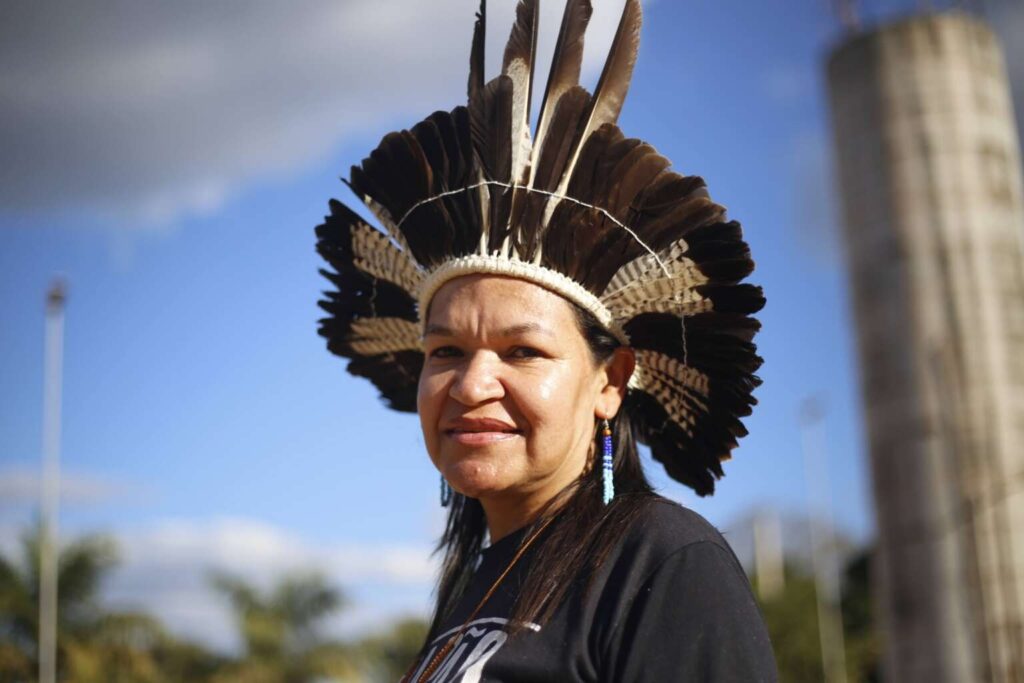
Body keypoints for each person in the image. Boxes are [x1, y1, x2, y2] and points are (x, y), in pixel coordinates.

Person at [315, 1, 777, 680]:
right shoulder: (471, 593)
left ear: (610, 380)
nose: (471, 385)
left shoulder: (666, 565)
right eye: (445, 351)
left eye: (522, 350)